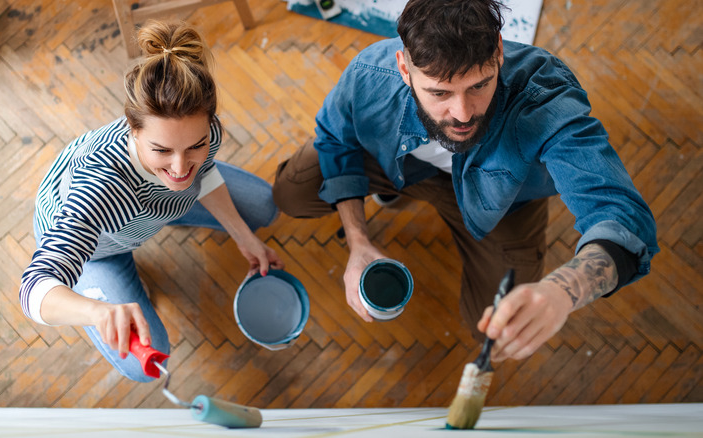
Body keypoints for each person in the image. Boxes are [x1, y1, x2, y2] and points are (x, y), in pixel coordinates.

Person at [272, 0, 658, 362]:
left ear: (499, 54)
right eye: (439, 92)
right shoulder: (371, 75)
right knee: (291, 192)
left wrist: (563, 290)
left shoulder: (544, 97)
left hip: (505, 203)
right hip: (402, 165)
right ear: (404, 69)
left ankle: (397, 192)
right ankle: (394, 186)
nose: (462, 115)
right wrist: (357, 241)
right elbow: (336, 139)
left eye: (479, 85)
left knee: (494, 329)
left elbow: (621, 215)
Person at [19, 20, 283, 381]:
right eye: (161, 150)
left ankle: (170, 210)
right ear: (132, 129)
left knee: (264, 206)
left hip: (150, 210)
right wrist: (96, 312)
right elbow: (34, 289)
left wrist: (241, 234)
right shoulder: (96, 189)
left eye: (196, 146)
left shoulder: (204, 134)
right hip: (101, 246)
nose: (180, 167)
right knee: (147, 364)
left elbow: (201, 174)